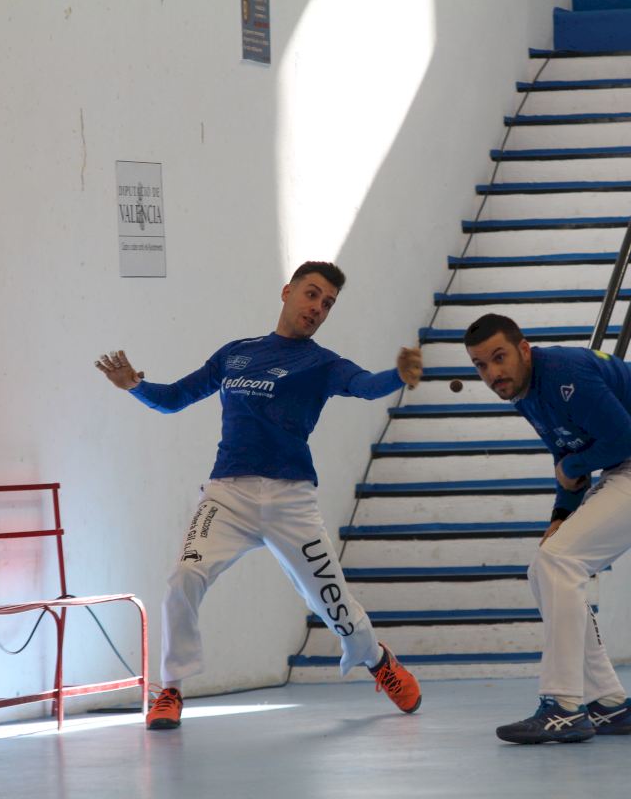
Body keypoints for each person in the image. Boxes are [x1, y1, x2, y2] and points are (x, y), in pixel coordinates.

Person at [95, 260, 424, 729]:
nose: (318, 307)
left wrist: (397, 375)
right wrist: (134, 385)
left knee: (333, 604)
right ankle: (171, 689)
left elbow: (365, 385)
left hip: (292, 501)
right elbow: (173, 399)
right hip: (227, 496)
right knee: (184, 577)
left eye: (328, 303)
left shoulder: (323, 364)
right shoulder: (236, 354)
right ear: (288, 292)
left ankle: (377, 660)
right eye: (311, 294)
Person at [463, 314, 631, 744]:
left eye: (499, 358)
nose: (493, 373)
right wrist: (561, 515)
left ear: (524, 350)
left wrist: (573, 466)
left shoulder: (564, 371)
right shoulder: (526, 395)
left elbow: (625, 438)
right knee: (544, 567)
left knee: (559, 561)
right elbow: (567, 456)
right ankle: (608, 703)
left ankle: (563, 705)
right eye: (481, 365)